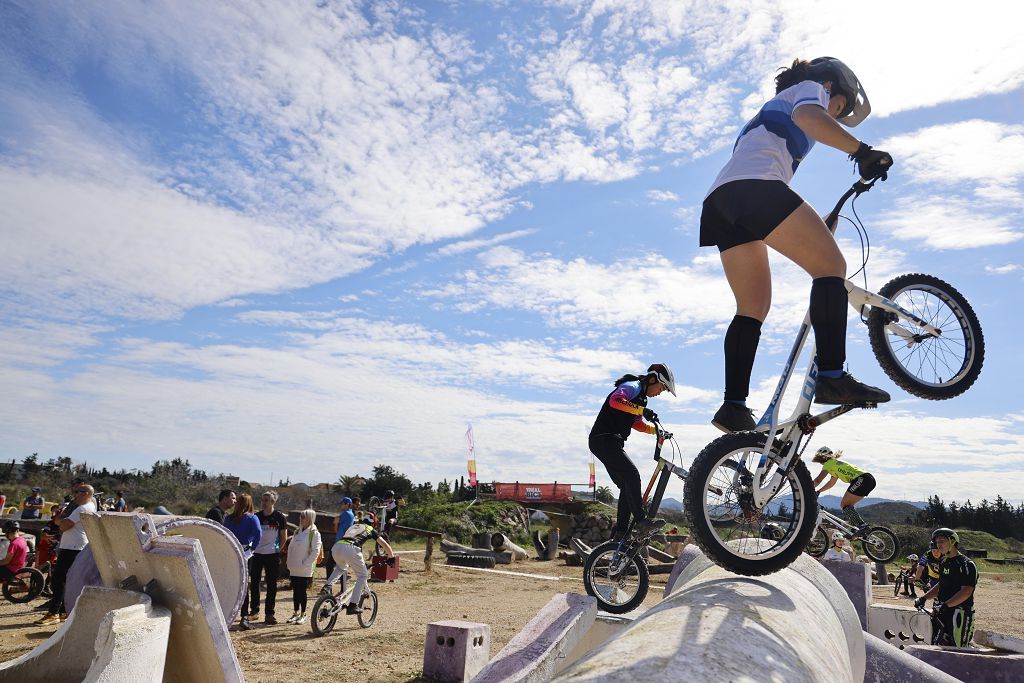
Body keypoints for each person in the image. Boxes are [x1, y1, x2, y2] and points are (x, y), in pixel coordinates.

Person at [700, 57, 893, 433]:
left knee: (753, 306)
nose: (835, 114)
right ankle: (832, 376)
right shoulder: (810, 90)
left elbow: (766, 166)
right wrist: (863, 151)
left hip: (722, 201)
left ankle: (733, 406)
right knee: (831, 269)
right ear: (832, 86)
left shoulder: (766, 113)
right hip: (755, 187)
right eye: (840, 107)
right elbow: (810, 119)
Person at [589, 363, 676, 539]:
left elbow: (636, 424)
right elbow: (615, 401)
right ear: (653, 379)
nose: (660, 392)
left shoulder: (642, 399)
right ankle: (641, 521)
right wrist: (642, 410)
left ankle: (620, 532)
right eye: (662, 388)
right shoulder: (632, 386)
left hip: (611, 442)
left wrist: (656, 431)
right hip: (603, 438)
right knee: (632, 475)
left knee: (626, 485)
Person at [36, 483, 96, 626]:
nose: (75, 494)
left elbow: (62, 526)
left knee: (58, 580)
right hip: (76, 546)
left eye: (78, 492)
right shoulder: (90, 506)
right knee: (67, 580)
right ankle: (63, 611)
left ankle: (53, 613)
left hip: (72, 548)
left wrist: (61, 517)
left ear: (86, 493)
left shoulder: (81, 509)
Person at [915, 528, 977, 646]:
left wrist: (946, 605)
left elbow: (967, 591)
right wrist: (923, 598)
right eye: (937, 542)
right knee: (937, 645)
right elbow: (940, 585)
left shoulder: (966, 564)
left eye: (942, 541)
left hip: (960, 613)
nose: (939, 545)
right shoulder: (943, 562)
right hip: (942, 611)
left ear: (953, 541)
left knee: (958, 648)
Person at [324, 518, 394, 615]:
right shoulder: (369, 528)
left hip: (337, 547)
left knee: (341, 568)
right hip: (351, 547)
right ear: (374, 524)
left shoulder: (353, 527)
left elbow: (354, 553)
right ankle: (353, 605)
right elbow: (384, 544)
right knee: (362, 575)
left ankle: (327, 586)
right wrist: (391, 557)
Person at [811, 447, 875, 533]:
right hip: (869, 479)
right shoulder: (835, 464)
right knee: (848, 506)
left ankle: (862, 525)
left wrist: (809, 490)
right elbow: (831, 483)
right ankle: (856, 529)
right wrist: (819, 491)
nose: (820, 463)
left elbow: (818, 480)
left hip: (862, 479)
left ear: (822, 457)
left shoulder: (828, 464)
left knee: (844, 504)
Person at [224, 493, 261, 630]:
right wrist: (253, 548)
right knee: (244, 584)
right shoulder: (252, 518)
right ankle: (244, 616)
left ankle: (227, 612)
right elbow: (258, 533)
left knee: (231, 583)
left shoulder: (229, 518)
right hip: (245, 552)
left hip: (230, 551)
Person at [250, 491, 288, 625]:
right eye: (262, 500)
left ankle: (269, 614)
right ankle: (254, 611)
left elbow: (283, 536)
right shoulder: (256, 516)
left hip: (272, 554)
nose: (264, 502)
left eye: (267, 500)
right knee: (254, 582)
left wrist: (278, 550)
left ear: (273, 502)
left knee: (271, 584)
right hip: (257, 553)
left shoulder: (279, 517)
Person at [285, 509, 321, 625]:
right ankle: (295, 613)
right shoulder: (297, 531)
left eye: (303, 517)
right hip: (294, 567)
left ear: (309, 518)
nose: (300, 519)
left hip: (305, 568)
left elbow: (316, 551)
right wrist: (289, 562)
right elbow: (290, 548)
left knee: (302, 591)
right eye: (300, 516)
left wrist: (305, 563)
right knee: (295, 591)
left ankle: (303, 614)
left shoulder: (314, 533)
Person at [327, 497, 355, 583]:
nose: (341, 505)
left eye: (342, 503)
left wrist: (335, 523)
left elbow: (335, 527)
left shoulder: (345, 514)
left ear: (347, 504)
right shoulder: (350, 514)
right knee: (341, 566)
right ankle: (342, 589)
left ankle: (328, 586)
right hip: (343, 543)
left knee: (330, 565)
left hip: (340, 543)